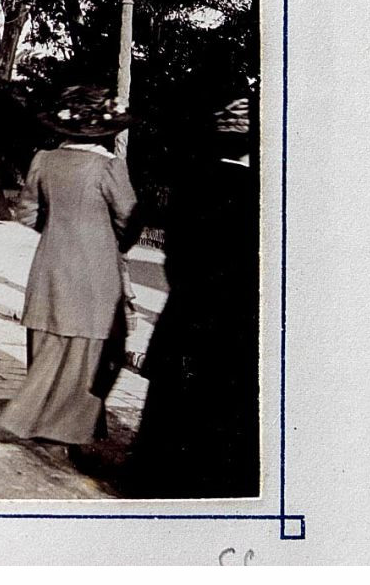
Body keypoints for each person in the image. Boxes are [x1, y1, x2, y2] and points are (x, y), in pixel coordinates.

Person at [128, 97, 259, 498]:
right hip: (239, 322)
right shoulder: (263, 192)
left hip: (186, 315)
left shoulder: (190, 183)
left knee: (173, 408)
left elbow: (172, 255)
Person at [0, 86, 137, 451]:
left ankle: (33, 416)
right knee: (90, 348)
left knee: (47, 341)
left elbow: (27, 213)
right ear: (105, 131)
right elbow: (129, 218)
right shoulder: (109, 168)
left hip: (50, 265)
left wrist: (58, 228)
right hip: (97, 270)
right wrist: (111, 241)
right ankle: (74, 427)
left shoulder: (43, 160)